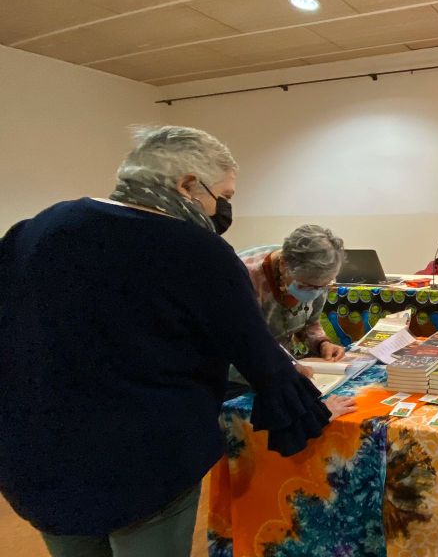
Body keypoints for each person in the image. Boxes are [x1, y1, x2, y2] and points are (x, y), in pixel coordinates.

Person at [0, 126, 356, 557]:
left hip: (38, 454)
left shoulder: (35, 230)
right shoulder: (198, 252)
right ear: (188, 185)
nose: (222, 209)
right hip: (143, 462)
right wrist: (314, 411)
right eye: (223, 195)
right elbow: (264, 363)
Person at [224, 226, 348, 398]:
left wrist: (322, 343)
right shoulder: (243, 276)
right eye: (306, 286)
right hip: (236, 375)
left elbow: (310, 322)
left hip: (277, 367)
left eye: (323, 286)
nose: (316, 292)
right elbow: (240, 344)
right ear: (283, 265)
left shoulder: (316, 276)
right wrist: (284, 368)